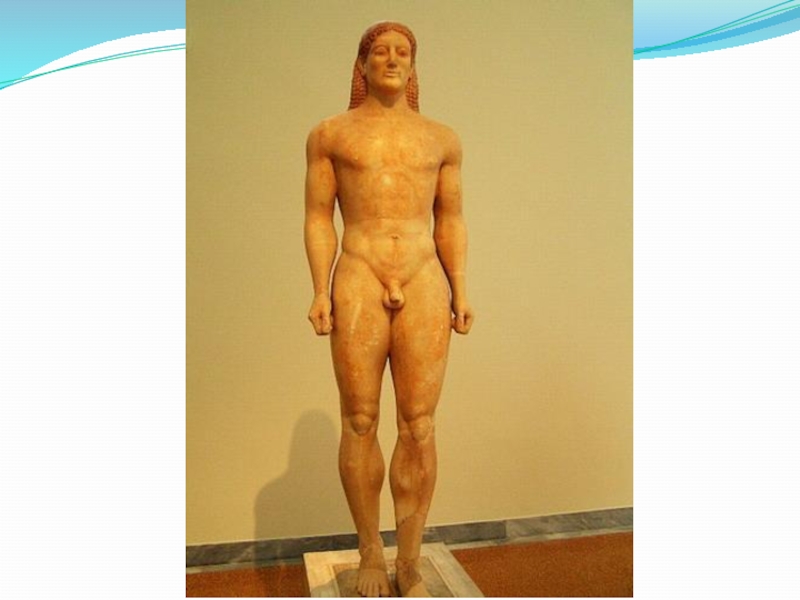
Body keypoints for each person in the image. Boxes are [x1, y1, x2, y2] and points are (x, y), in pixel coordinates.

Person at [304, 21, 473, 597]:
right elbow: (318, 216)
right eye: (381, 51)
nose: (393, 59)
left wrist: (461, 288)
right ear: (363, 64)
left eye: (403, 52)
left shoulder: (441, 139)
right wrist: (320, 288)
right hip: (359, 272)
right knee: (359, 418)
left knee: (419, 424)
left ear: (414, 66)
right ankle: (370, 552)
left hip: (424, 276)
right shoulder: (331, 134)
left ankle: (411, 558)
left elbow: (450, 219)